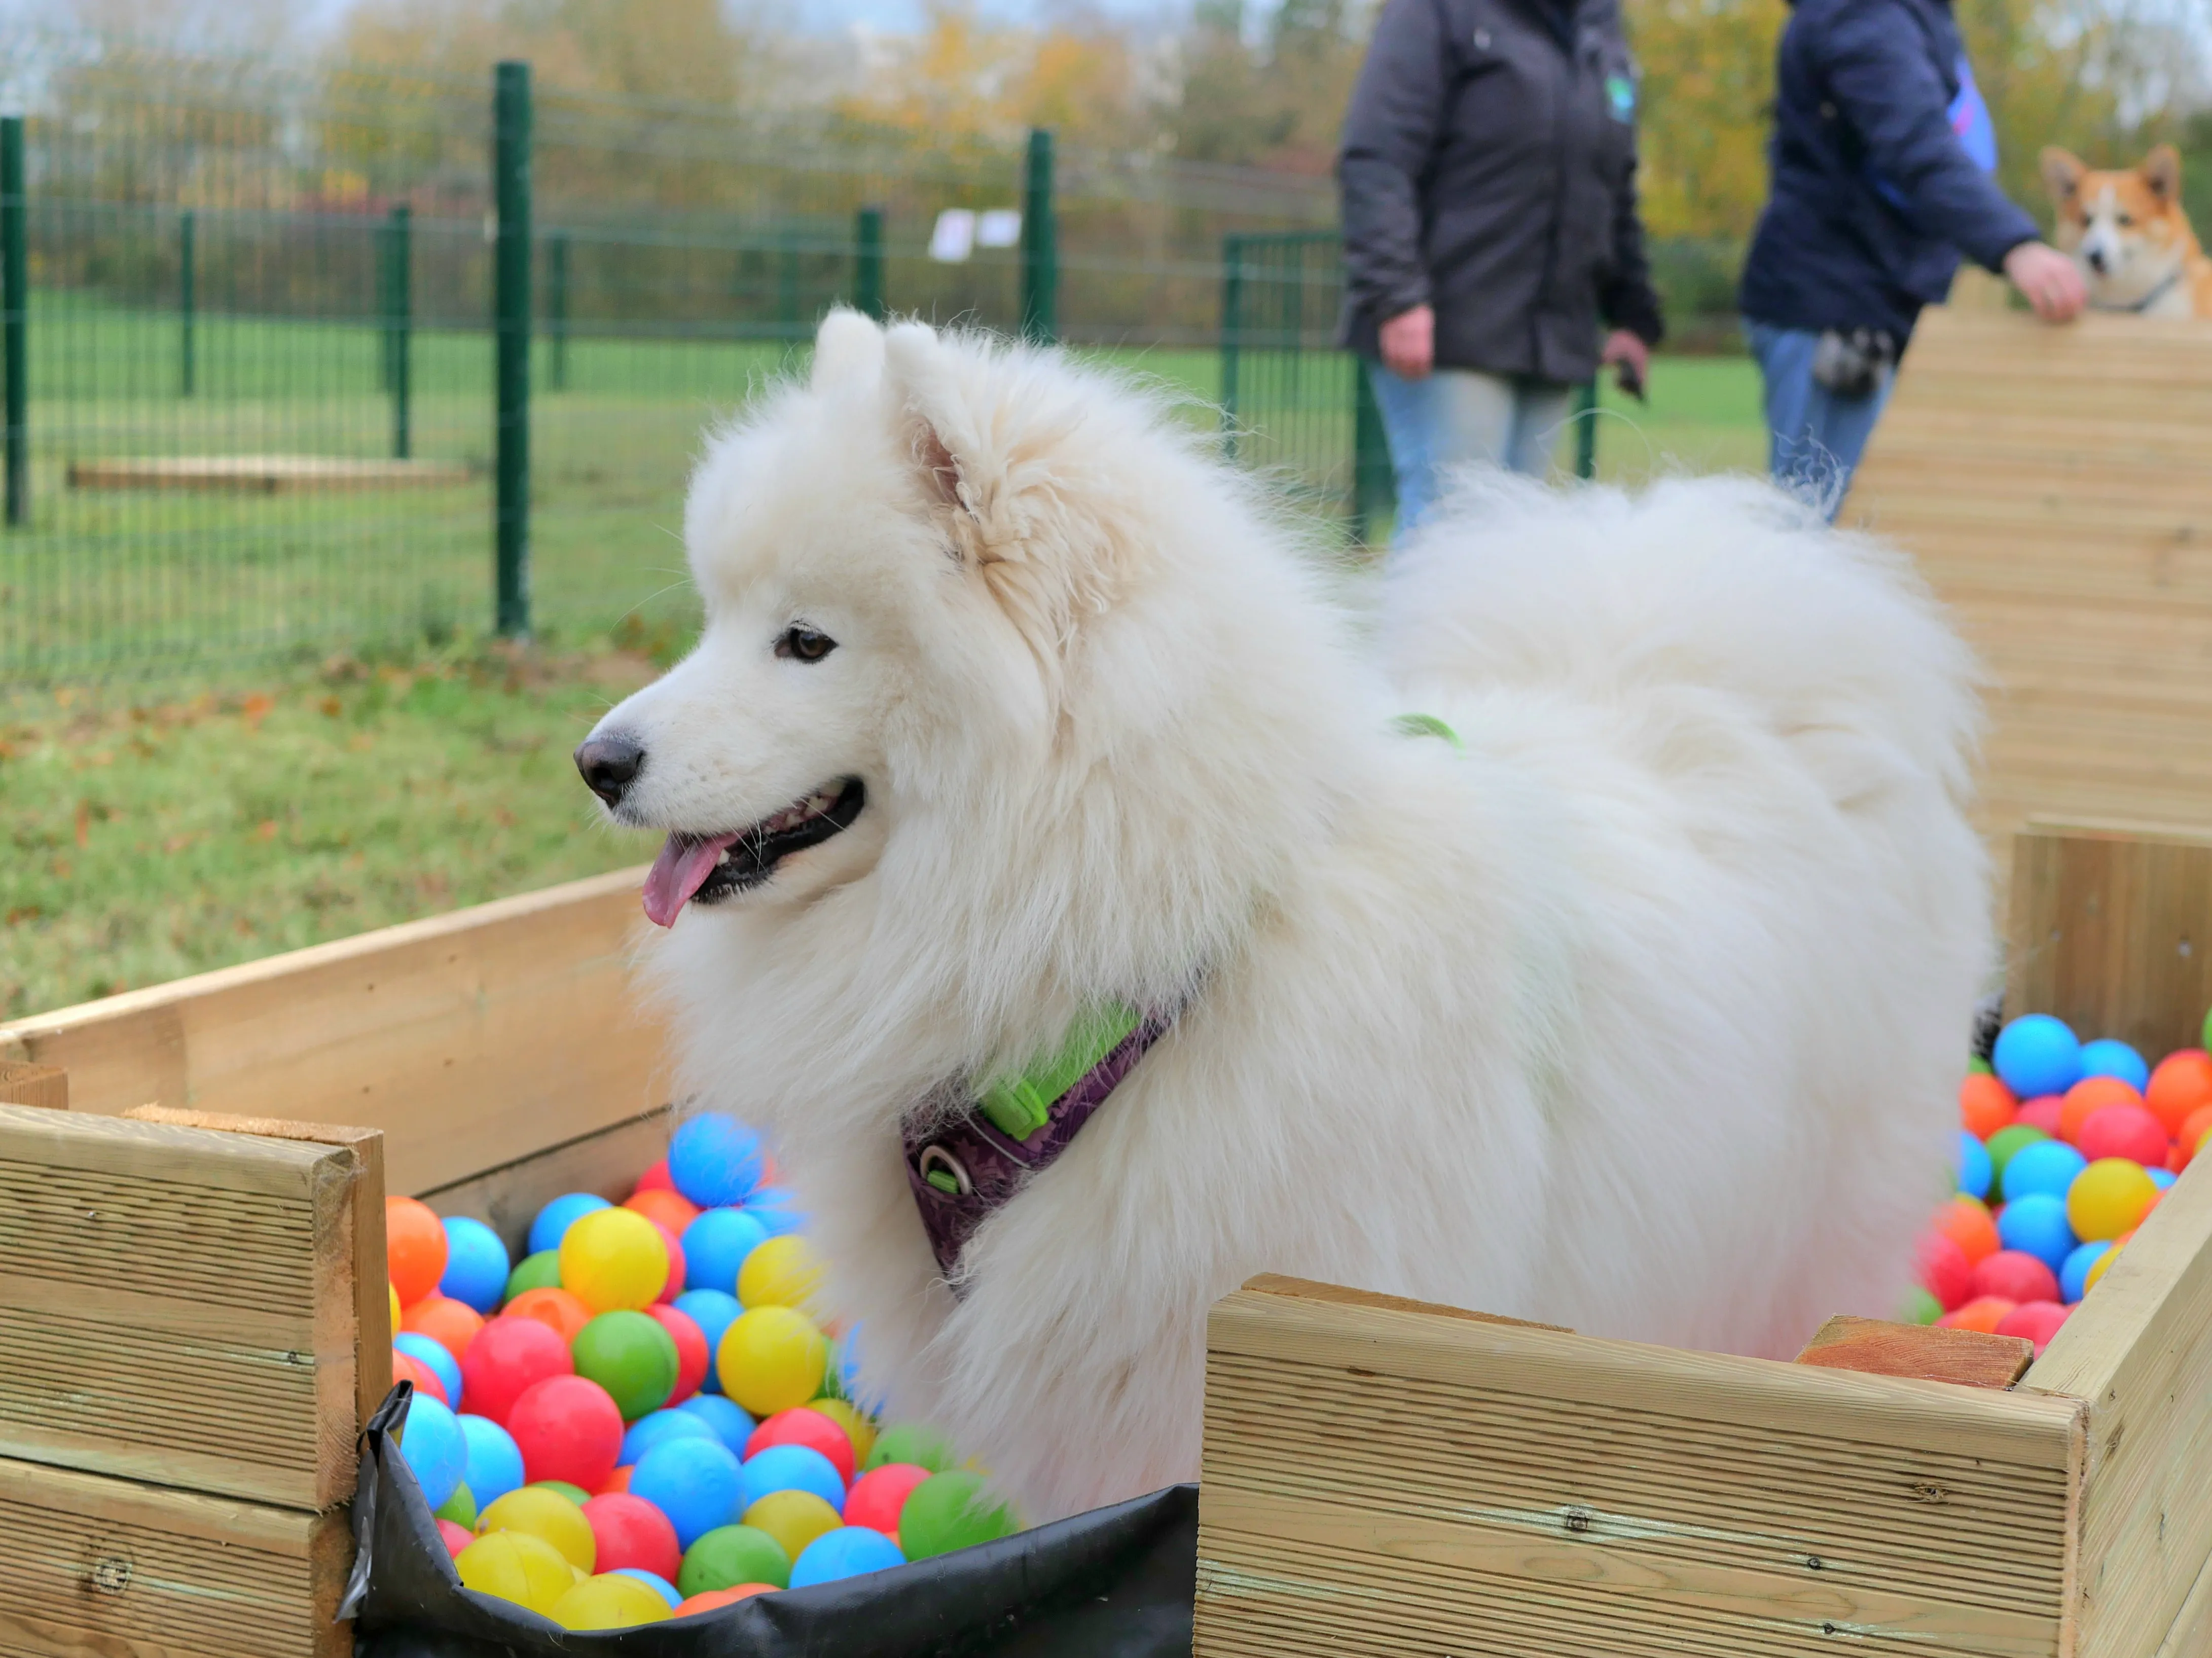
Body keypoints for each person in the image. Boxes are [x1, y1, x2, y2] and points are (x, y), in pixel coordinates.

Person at [1739, 0, 2086, 513]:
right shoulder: (1859, 15)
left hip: (1875, 302)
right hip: (1832, 309)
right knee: (1817, 539)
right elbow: (1915, 146)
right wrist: (2014, 245)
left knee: (1851, 540)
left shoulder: (1911, 14)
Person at [1337, 0, 1665, 535]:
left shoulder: (1598, 29)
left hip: (1554, 333)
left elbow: (1613, 185)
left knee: (1515, 540)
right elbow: (1377, 159)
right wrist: (1396, 296)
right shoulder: (1438, 12)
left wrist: (1633, 313)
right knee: (1452, 525)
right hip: (1450, 321)